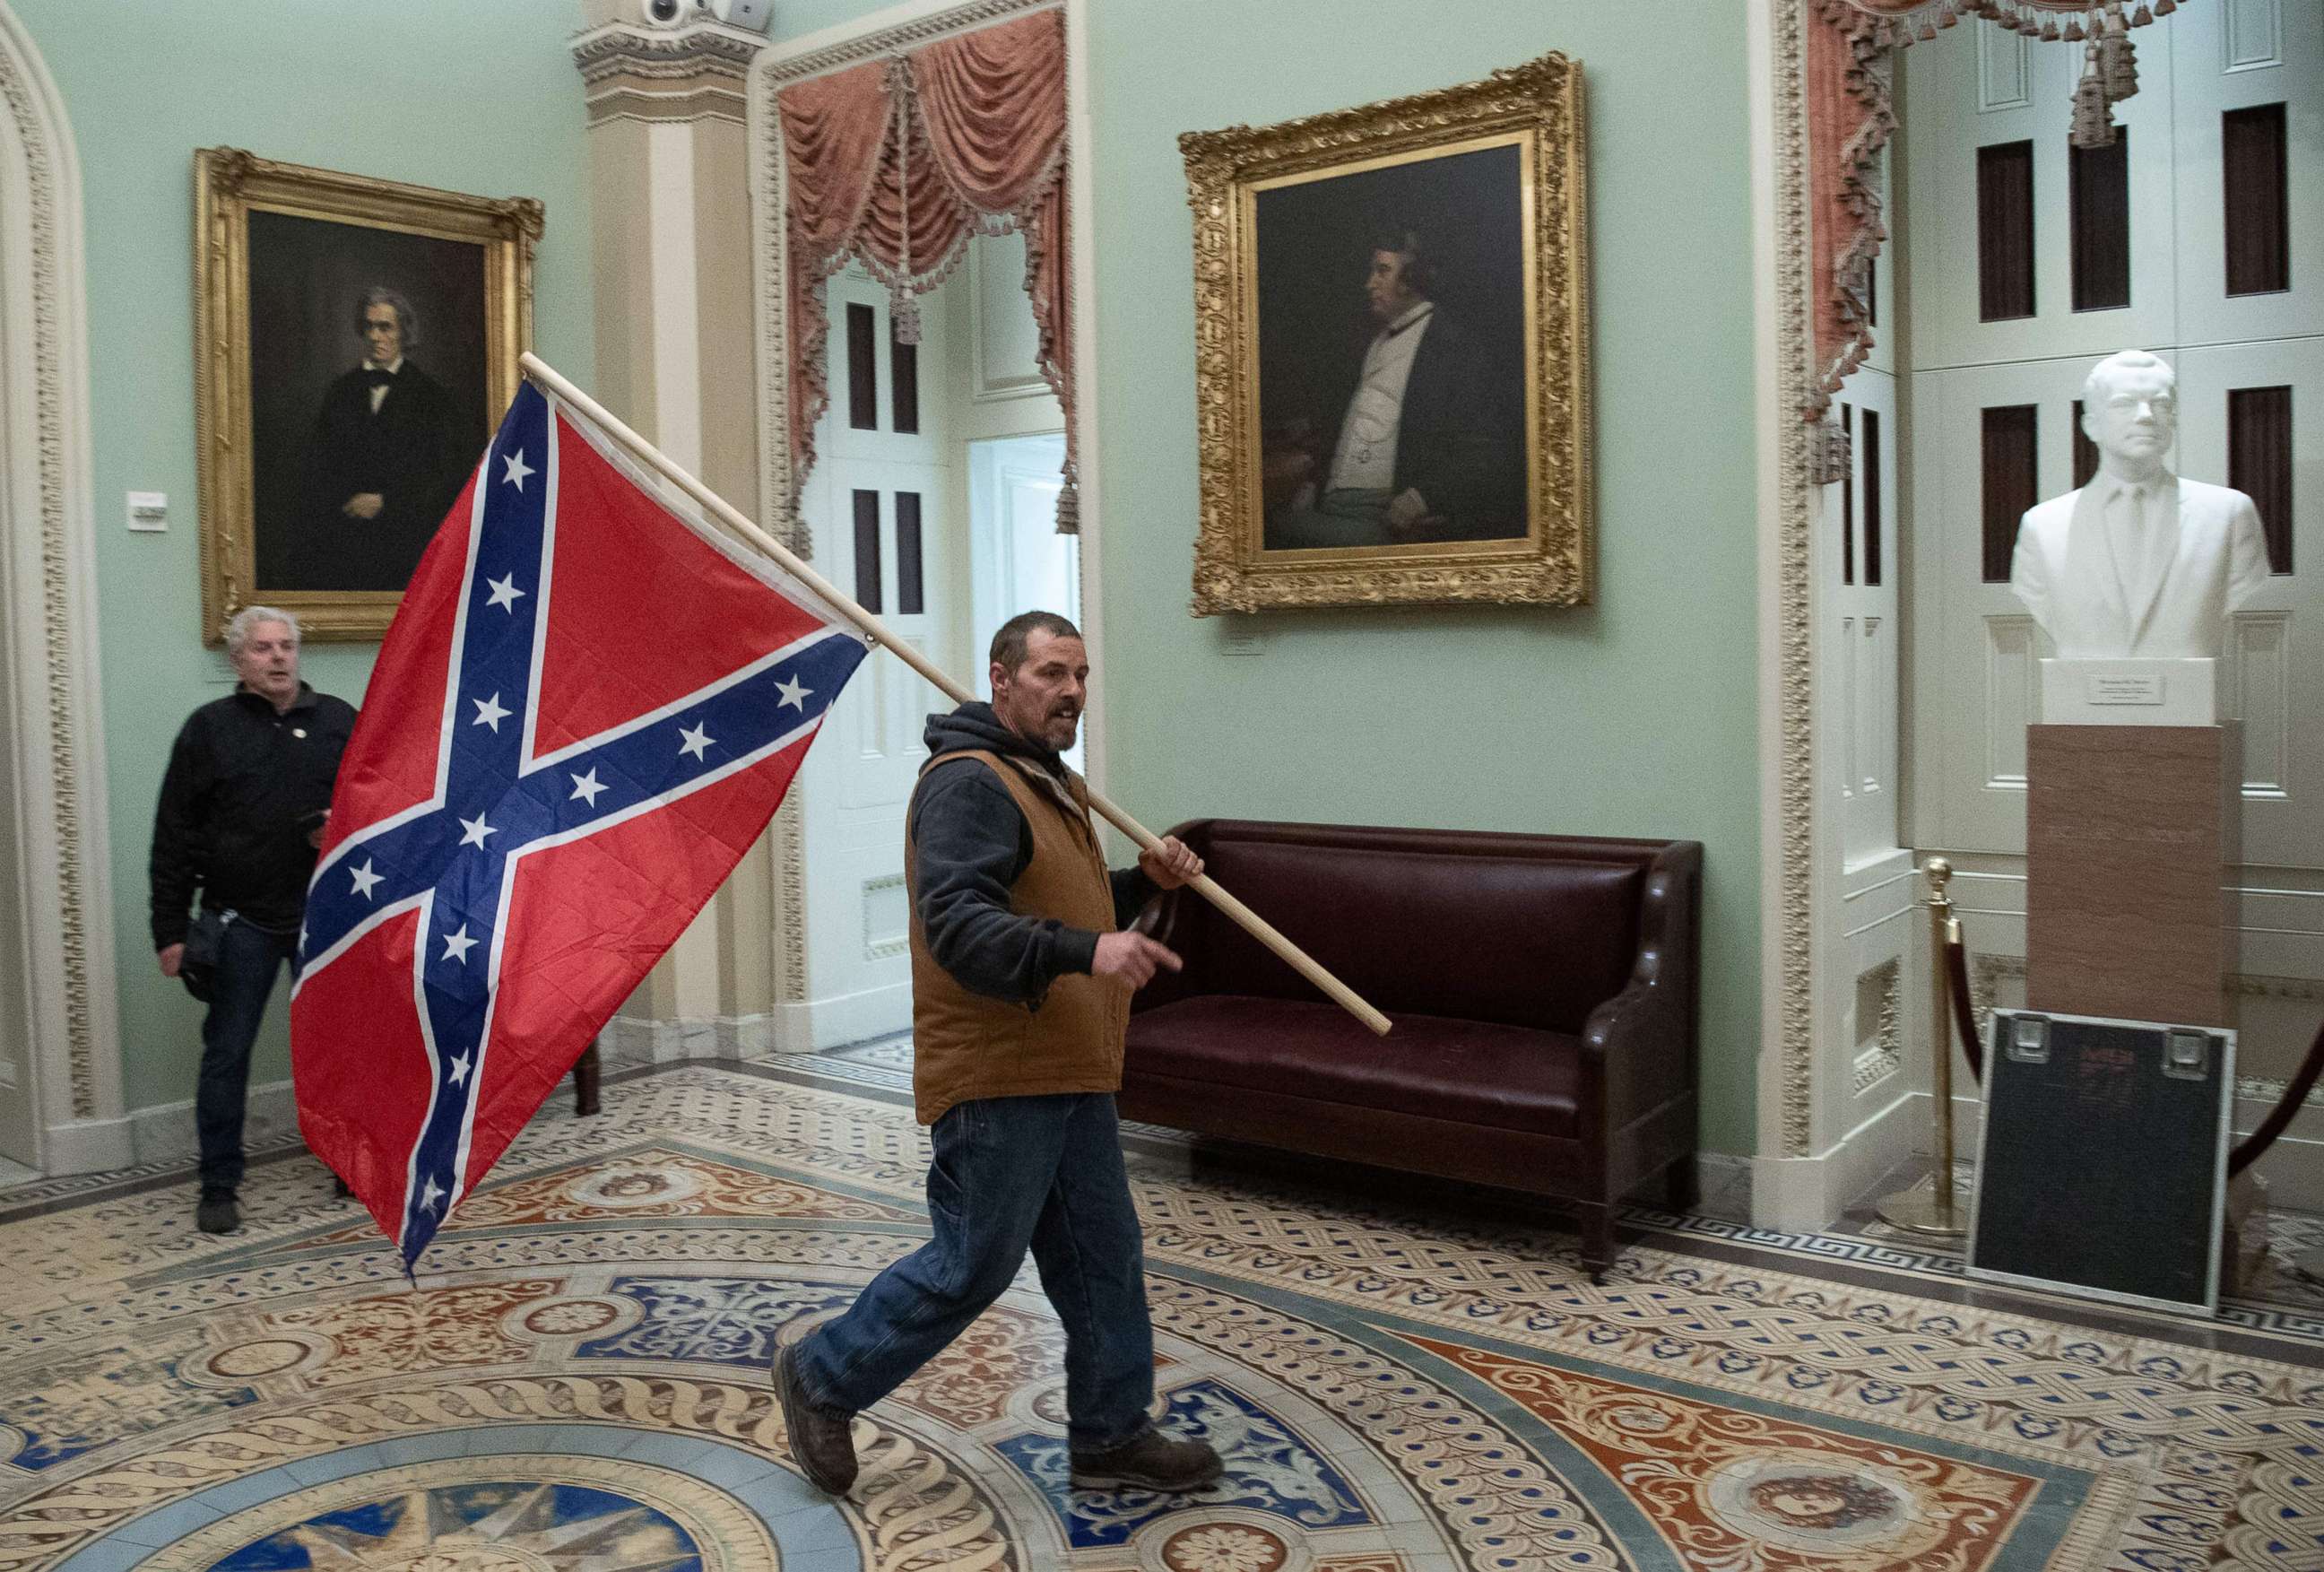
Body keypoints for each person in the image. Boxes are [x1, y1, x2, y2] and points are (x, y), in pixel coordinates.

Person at [775, 612, 1226, 1498]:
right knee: (972, 1262)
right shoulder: (970, 784)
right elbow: (962, 925)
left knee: (1103, 1255)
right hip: (1001, 1072)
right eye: (1052, 672)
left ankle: (1109, 1434)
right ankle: (823, 1376)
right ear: (1002, 679)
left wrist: (1142, 885)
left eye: (1081, 675)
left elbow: (1054, 901)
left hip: (1071, 1065)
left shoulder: (1043, 779)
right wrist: (1087, 951)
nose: (1071, 692)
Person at [152, 607, 356, 1234]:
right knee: (227, 1052)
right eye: (262, 648)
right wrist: (170, 929)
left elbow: (377, 805)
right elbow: (175, 833)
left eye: (287, 645)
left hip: (325, 916)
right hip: (240, 919)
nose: (278, 657)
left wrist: (338, 828)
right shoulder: (208, 729)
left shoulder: (338, 721)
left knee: (339, 1045)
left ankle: (351, 1162)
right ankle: (219, 1182)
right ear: (238, 660)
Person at [1263, 227, 1520, 551]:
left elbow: (1489, 452)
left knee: (1273, 530)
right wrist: (1313, 483)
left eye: (1383, 271)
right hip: (1330, 506)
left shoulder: (1454, 348)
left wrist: (1422, 498)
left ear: (1414, 277)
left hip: (1386, 519)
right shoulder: (1372, 342)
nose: (1369, 284)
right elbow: (1346, 427)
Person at [2010, 349, 2272, 659]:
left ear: (2172, 419)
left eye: (2160, 404)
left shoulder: (2229, 514)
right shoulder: (2042, 525)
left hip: (2187, 697)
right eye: (2124, 403)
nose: (2146, 415)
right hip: (2084, 697)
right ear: (2091, 425)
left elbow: (2241, 588)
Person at [295, 286, 471, 592]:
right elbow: (317, 465)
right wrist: (344, 505)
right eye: (369, 327)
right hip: (342, 544)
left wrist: (386, 503)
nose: (375, 336)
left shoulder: (431, 397)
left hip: (405, 545)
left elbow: (447, 475)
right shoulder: (339, 392)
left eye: (385, 327)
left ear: (403, 332)